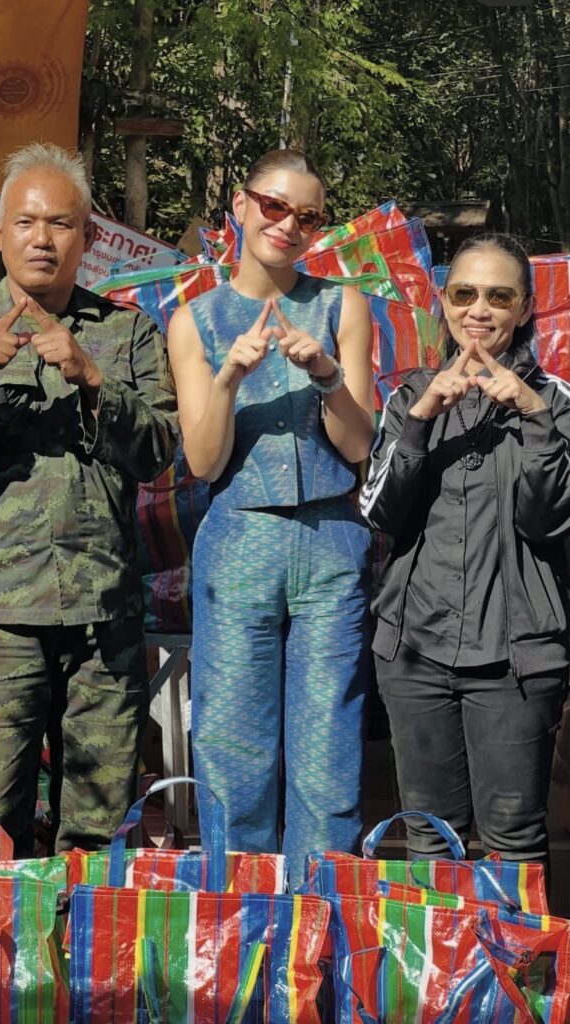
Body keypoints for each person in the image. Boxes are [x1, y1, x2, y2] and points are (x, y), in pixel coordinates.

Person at [0, 143, 177, 857]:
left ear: (86, 235)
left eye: (61, 223)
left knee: (99, 834)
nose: (43, 239)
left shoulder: (127, 334)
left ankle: (87, 935)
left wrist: (93, 379)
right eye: (25, 222)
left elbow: (158, 452)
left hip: (101, 620)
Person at [168, 149, 374, 880]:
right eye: (274, 206)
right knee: (234, 751)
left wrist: (326, 374)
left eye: (307, 217)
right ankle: (242, 926)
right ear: (241, 203)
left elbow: (359, 446)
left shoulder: (342, 306)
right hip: (240, 537)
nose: (288, 225)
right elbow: (203, 463)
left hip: (331, 537)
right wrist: (229, 376)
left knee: (329, 752)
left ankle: (323, 920)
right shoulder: (195, 321)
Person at [361, 233, 570, 872]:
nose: (479, 310)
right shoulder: (408, 397)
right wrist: (422, 420)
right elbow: (379, 512)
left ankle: (513, 947)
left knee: (513, 843)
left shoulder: (556, 402)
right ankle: (439, 948)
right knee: (429, 841)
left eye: (498, 296)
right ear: (444, 302)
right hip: (415, 651)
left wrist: (533, 417)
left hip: (517, 657)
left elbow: (551, 523)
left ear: (525, 308)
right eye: (464, 294)